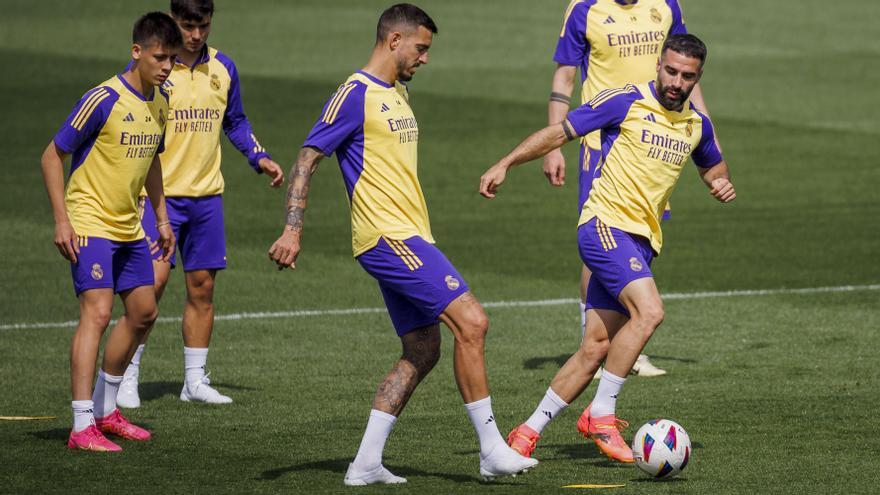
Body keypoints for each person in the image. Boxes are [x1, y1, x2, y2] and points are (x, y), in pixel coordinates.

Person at [268, 3, 538, 485]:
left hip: (409, 235)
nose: (426, 58)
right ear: (394, 41)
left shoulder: (396, 92)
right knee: (472, 322)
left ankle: (365, 463)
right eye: (421, 47)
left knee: (422, 349)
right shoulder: (355, 93)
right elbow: (308, 157)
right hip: (389, 238)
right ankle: (492, 449)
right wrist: (293, 227)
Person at [479, 34, 735, 462]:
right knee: (650, 312)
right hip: (603, 226)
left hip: (641, 239)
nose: (676, 81)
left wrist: (718, 182)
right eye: (670, 71)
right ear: (658, 65)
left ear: (698, 78)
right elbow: (558, 133)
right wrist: (505, 163)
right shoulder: (625, 101)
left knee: (595, 346)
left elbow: (713, 165)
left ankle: (525, 434)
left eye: (686, 76)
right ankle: (601, 413)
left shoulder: (697, 125)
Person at [116, 0, 284, 408]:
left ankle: (194, 381)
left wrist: (257, 156)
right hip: (161, 197)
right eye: (188, 26)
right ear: (174, 21)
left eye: (202, 26)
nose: (195, 34)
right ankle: (125, 376)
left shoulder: (224, 67)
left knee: (202, 288)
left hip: (207, 197)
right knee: (151, 285)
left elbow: (236, 121)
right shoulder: (158, 68)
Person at [546, 0, 719, 378]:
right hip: (604, 141)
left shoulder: (666, 5)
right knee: (603, 235)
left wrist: (708, 132)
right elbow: (565, 75)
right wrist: (556, 144)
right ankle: (594, 341)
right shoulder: (585, 8)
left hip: (660, 139)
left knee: (639, 235)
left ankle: (624, 342)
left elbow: (688, 73)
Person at [40, 12, 181, 451]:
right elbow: (51, 155)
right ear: (136, 52)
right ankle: (82, 425)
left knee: (143, 312)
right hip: (89, 222)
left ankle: (106, 410)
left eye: (172, 60)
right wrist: (63, 220)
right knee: (97, 314)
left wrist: (160, 218)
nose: (166, 67)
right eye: (159, 57)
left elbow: (152, 161)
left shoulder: (161, 100)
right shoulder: (103, 98)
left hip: (129, 224)